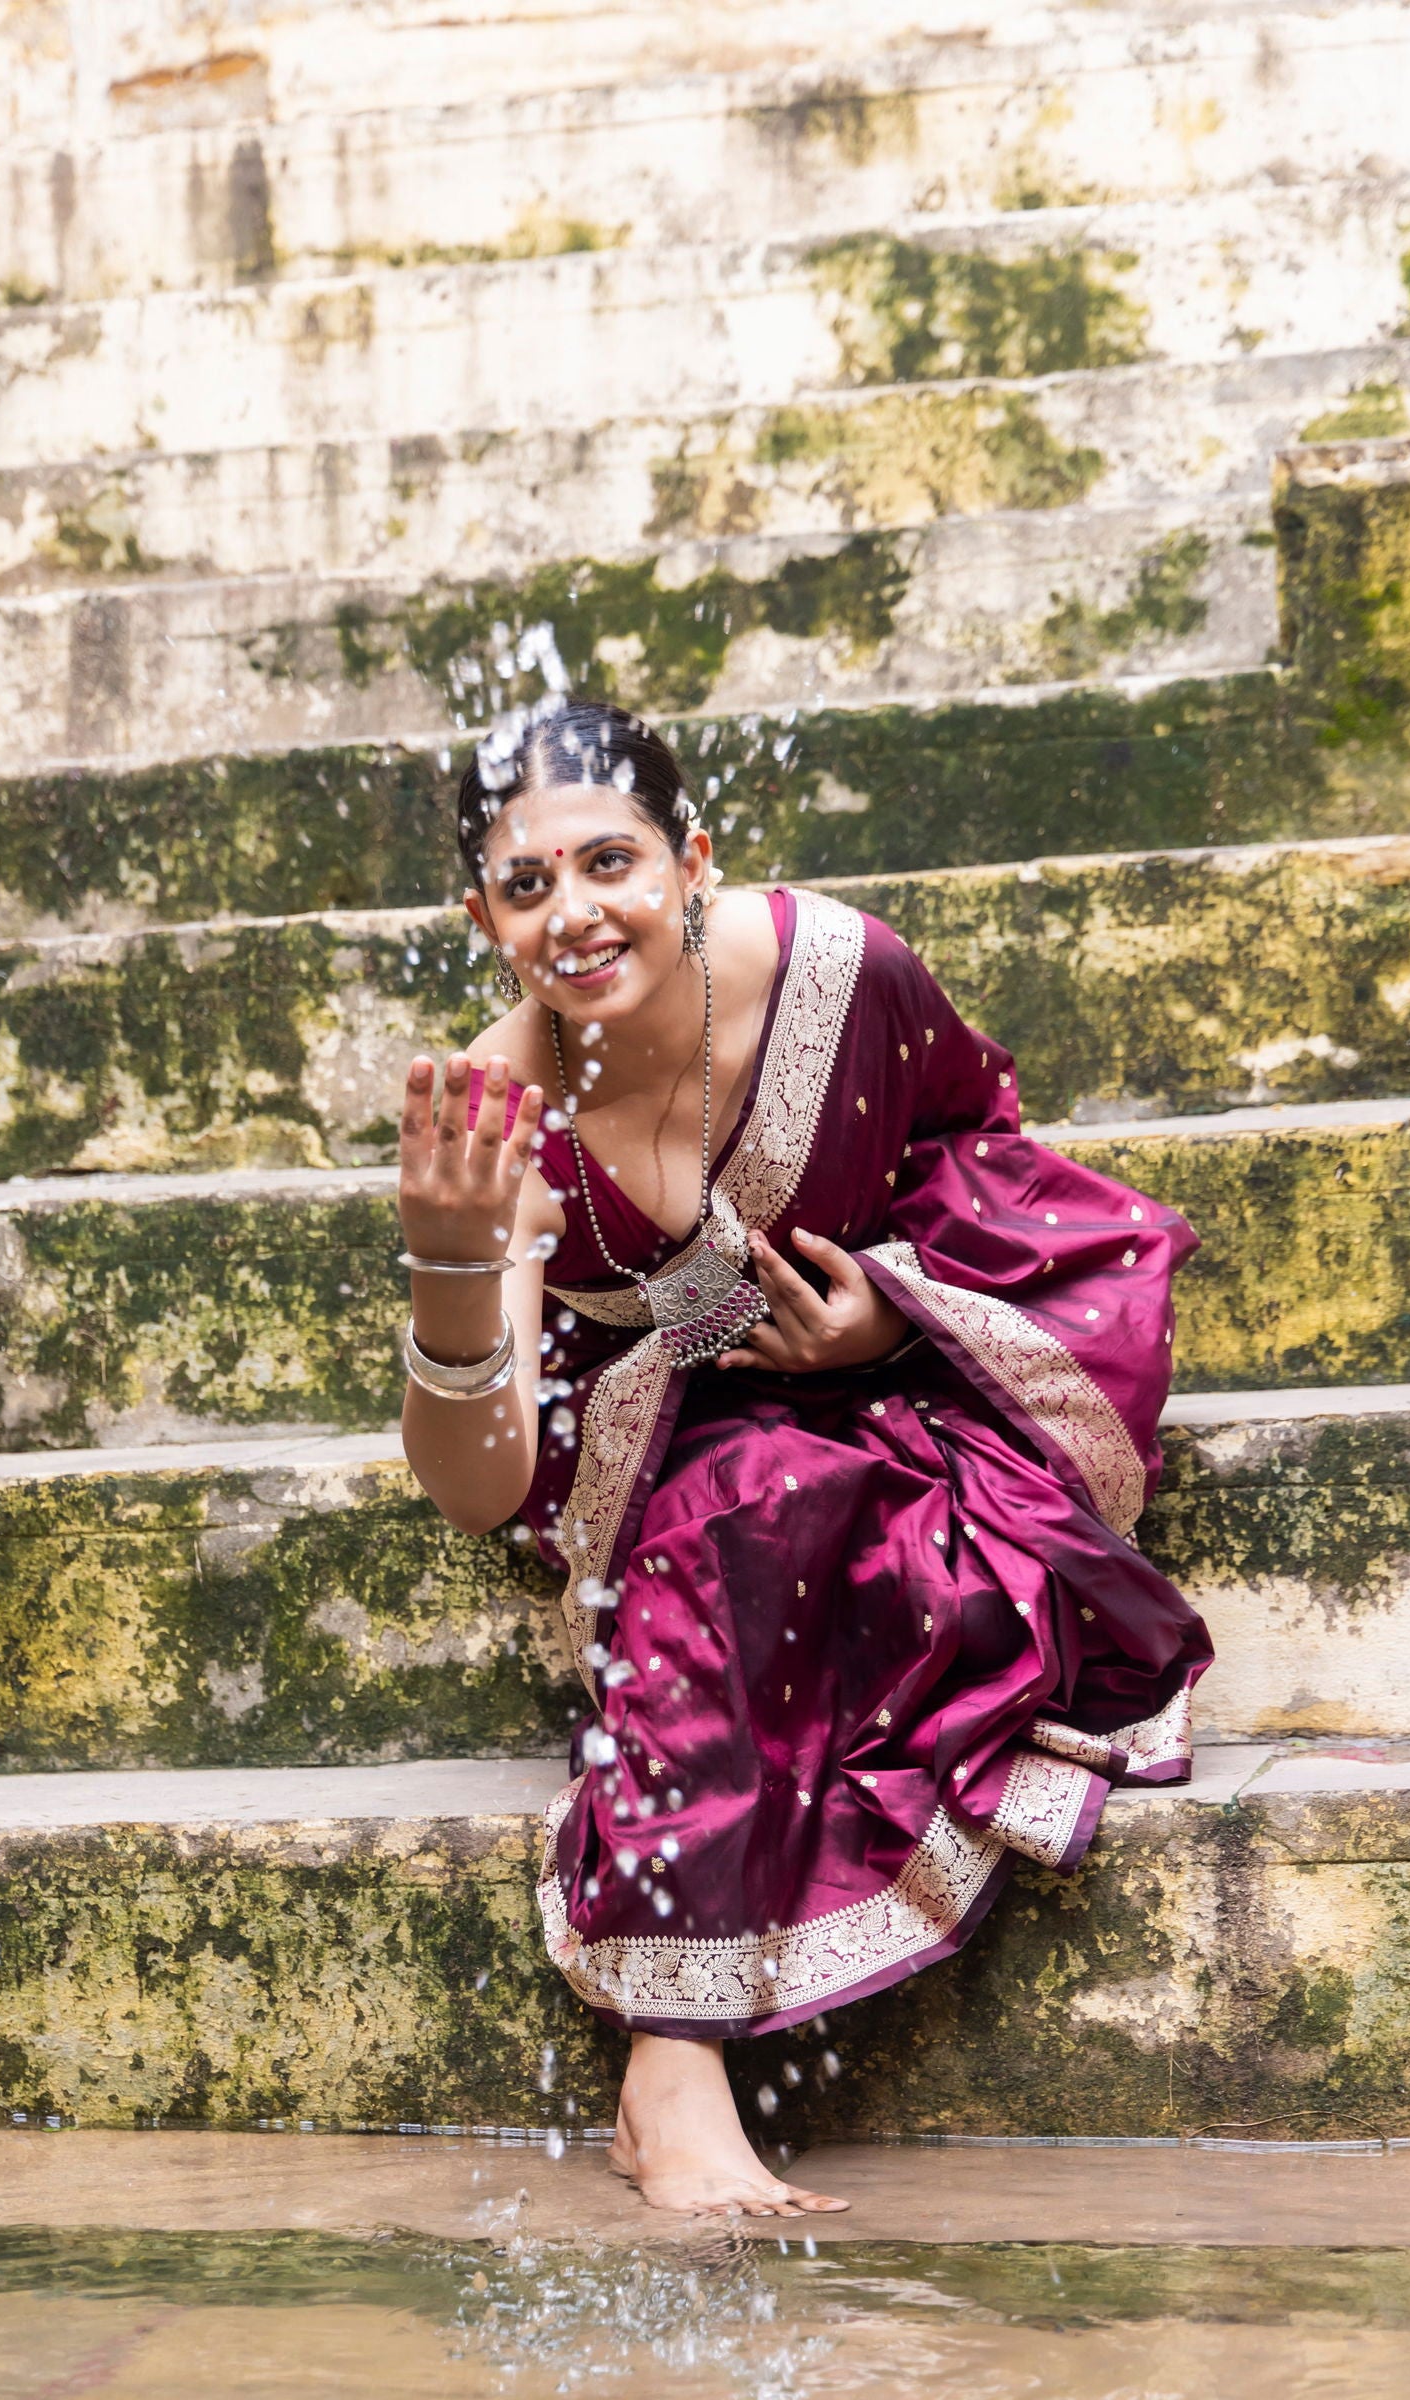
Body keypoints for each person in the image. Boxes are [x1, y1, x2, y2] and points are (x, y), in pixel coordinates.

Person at [397, 697, 1211, 2218]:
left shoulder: (845, 974)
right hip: (658, 1434)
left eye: (611, 863)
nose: (574, 914)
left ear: (691, 860)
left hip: (912, 1366)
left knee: (827, 1503)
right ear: (482, 915)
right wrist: (453, 1266)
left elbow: (985, 1165)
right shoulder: (502, 1113)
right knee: (739, 1501)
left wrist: (882, 1325)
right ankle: (672, 2065)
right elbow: (481, 1486)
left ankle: (677, 2063)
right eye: (527, 886)